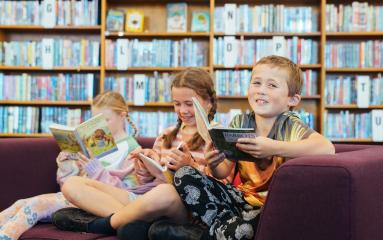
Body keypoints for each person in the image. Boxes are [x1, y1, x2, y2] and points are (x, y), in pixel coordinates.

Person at [166, 55, 336, 240]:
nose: (261, 90)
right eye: (256, 83)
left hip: (270, 207)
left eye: (272, 85)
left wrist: (272, 147)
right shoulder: (240, 122)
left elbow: (326, 148)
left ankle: (212, 233)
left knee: (245, 230)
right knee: (184, 174)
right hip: (241, 200)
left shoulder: (289, 125)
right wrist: (213, 162)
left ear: (292, 100)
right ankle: (223, 229)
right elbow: (223, 173)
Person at [54, 67, 232, 238]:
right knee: (72, 184)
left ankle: (104, 224)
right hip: (146, 199)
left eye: (189, 104)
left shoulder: (219, 136)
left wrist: (190, 167)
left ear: (209, 102)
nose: (183, 110)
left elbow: (223, 189)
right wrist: (145, 165)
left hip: (182, 207)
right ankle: (135, 221)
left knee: (164, 192)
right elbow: (146, 181)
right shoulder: (166, 135)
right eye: (177, 104)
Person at [0, 91, 140, 240]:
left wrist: (96, 171)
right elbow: (69, 186)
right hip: (74, 196)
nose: (100, 127)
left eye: (106, 120)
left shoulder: (133, 150)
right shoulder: (94, 144)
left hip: (97, 203)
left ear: (122, 116)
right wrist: (67, 166)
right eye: (95, 121)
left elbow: (127, 193)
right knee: (20, 203)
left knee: (34, 206)